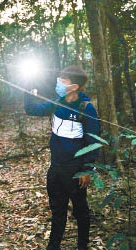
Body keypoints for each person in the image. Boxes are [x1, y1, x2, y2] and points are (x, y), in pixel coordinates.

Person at [24, 66, 100, 250]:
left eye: (62, 81)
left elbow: (93, 141)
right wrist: (27, 87)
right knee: (57, 210)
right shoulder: (57, 103)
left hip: (75, 170)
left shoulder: (86, 109)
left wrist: (87, 169)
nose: (58, 83)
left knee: (80, 210)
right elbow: (32, 110)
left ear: (74, 87)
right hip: (56, 167)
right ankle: (54, 245)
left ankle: (83, 245)